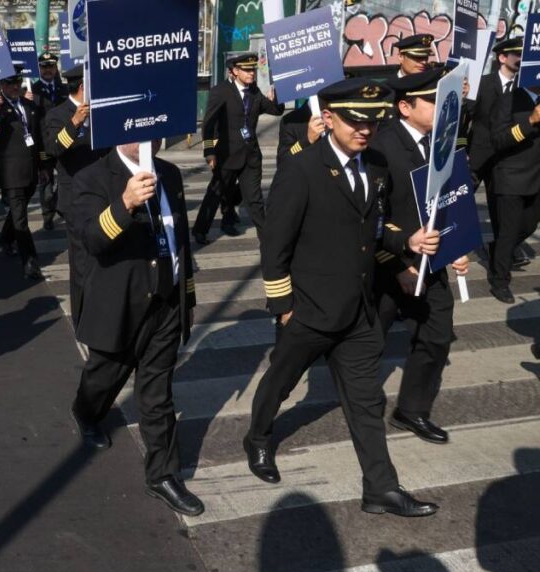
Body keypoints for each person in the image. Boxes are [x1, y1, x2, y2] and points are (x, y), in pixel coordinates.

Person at [247, 78, 439, 517]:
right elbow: (275, 245)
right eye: (354, 120)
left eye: (372, 120)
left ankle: (381, 489)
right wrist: (283, 308)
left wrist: (405, 251)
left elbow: (373, 230)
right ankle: (257, 438)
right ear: (329, 118)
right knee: (280, 383)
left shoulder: (374, 165)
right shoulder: (302, 169)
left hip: (358, 311)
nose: (364, 129)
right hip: (309, 310)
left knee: (367, 401)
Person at [69, 139, 203, 517]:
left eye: (154, 131)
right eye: (137, 132)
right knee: (103, 375)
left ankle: (162, 475)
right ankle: (85, 411)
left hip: (163, 303)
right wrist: (125, 203)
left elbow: (180, 243)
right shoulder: (92, 177)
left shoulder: (170, 173)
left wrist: (185, 296)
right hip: (120, 304)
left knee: (157, 393)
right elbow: (92, 240)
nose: (147, 141)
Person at [370, 69, 470, 444]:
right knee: (369, 345)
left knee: (437, 337)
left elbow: (452, 203)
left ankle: (411, 410)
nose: (442, 109)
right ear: (405, 106)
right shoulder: (381, 146)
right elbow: (371, 215)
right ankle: (361, 407)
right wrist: (399, 263)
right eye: (433, 101)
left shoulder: (443, 142)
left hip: (435, 263)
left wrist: (459, 249)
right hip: (388, 266)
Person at [192, 52, 283, 245]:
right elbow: (208, 123)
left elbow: (276, 110)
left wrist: (277, 99)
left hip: (250, 156)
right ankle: (200, 230)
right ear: (234, 71)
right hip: (226, 154)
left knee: (254, 198)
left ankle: (267, 238)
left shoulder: (255, 92)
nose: (252, 73)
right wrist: (209, 151)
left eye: (253, 70)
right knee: (216, 192)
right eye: (247, 70)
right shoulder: (220, 91)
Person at [43, 63, 108, 327]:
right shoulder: (58, 115)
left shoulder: (101, 110)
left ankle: (103, 307)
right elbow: (53, 148)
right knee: (81, 261)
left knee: (103, 257)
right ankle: (83, 317)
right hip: (77, 200)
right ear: (84, 86)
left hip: (104, 195)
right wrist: (74, 124)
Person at [468, 37, 530, 269]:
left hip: (506, 159)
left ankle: (504, 248)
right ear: (502, 58)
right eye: (517, 54)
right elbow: (467, 118)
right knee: (462, 201)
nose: (521, 59)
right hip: (478, 155)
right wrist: (462, 150)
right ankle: (452, 242)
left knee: (500, 210)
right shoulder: (483, 84)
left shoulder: (525, 88)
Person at [0, 66, 46, 280]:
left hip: (30, 169)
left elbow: (39, 136)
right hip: (11, 172)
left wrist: (44, 165)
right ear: (1, 85)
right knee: (21, 218)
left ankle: (4, 237)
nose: (14, 87)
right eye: (10, 84)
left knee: (17, 211)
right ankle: (30, 261)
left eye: (17, 83)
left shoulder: (29, 104)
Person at [487, 63, 540, 303]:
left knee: (528, 226)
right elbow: (499, 140)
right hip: (511, 177)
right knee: (508, 234)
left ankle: (498, 251)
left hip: (536, 177)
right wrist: (531, 121)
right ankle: (499, 281)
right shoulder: (509, 98)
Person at [32, 51, 67, 230]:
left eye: (51, 66)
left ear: (56, 68)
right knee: (46, 182)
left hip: (63, 142)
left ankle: (59, 205)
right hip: (44, 144)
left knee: (66, 178)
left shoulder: (64, 89)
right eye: (44, 67)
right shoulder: (33, 91)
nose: (48, 70)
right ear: (39, 68)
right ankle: (47, 216)